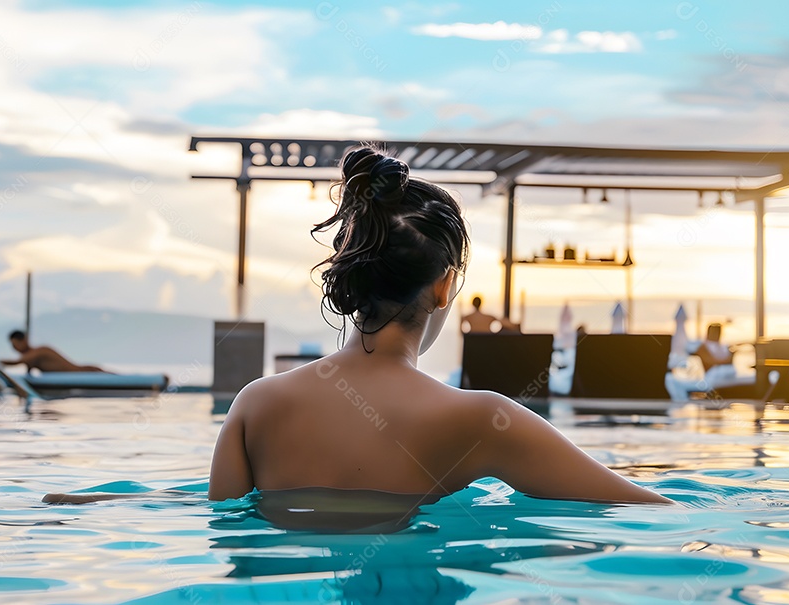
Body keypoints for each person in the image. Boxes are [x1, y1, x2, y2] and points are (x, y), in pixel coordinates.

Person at [208, 145, 670, 506]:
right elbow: (647, 508)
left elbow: (226, 535)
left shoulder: (254, 405)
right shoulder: (483, 419)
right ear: (444, 286)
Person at [1, 330, 107, 373]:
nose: (14, 348)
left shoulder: (38, 352)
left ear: (24, 340)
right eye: (13, 346)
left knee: (108, 375)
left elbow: (15, 362)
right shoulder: (31, 355)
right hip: (83, 371)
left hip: (84, 373)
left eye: (15, 344)